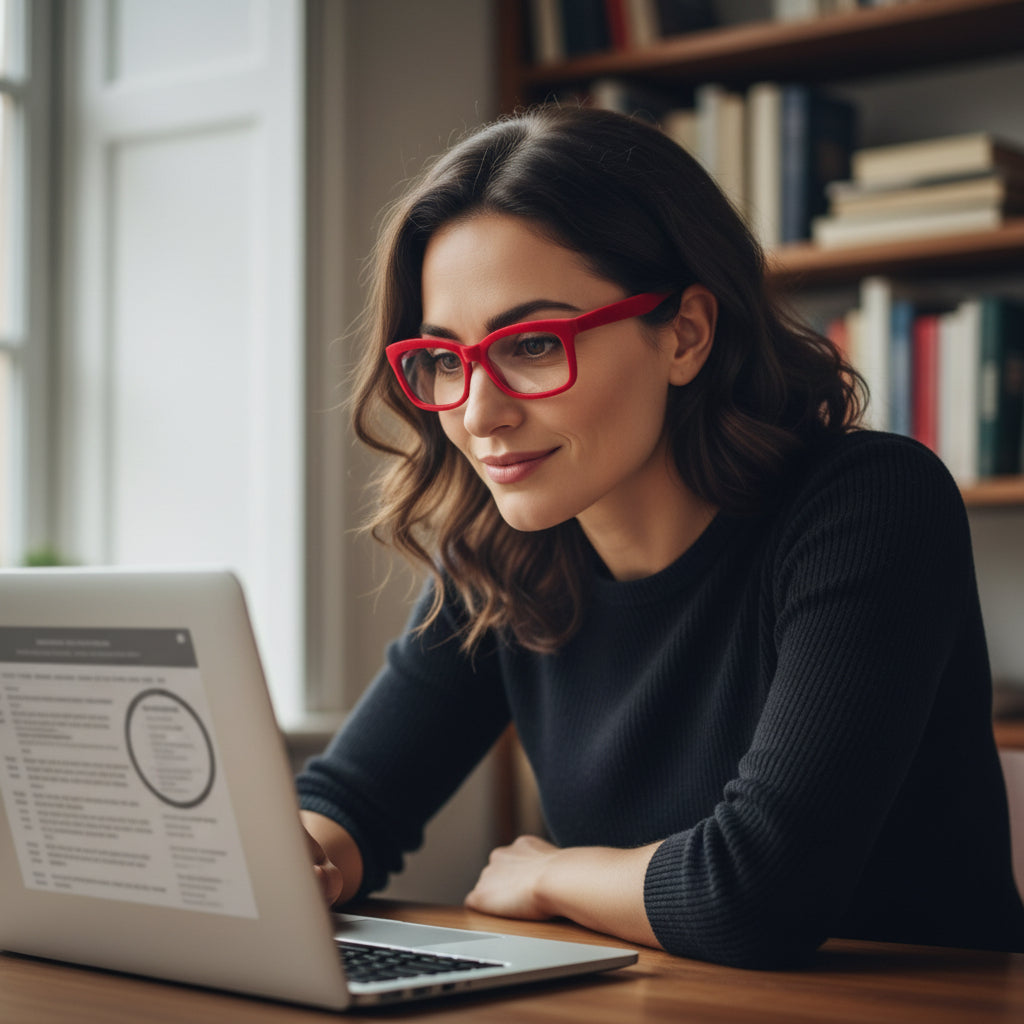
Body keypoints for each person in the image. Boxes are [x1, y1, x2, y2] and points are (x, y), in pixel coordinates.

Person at [296, 104, 1024, 967]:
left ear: (685, 335)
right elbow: (353, 802)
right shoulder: (498, 552)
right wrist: (299, 861)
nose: (480, 414)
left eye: (533, 344)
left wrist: (553, 875)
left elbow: (759, 894)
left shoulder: (872, 506)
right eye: (446, 359)